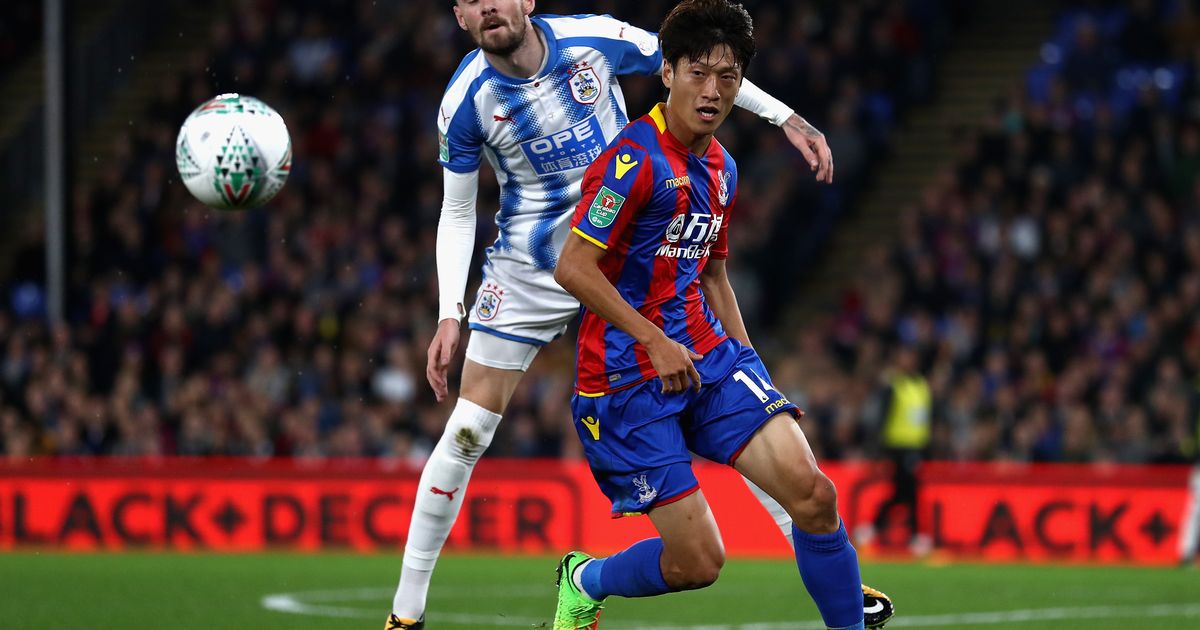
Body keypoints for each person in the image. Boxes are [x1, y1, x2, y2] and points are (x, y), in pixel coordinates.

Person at [387, 0, 837, 627]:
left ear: (528, 1)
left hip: (633, 241)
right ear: (459, 15)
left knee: (729, 397)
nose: (490, 4)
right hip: (531, 265)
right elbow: (458, 210)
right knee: (467, 431)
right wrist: (449, 311)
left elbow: (700, 66)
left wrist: (785, 117)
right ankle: (406, 613)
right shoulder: (464, 101)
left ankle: (822, 566)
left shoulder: (594, 40)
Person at [550, 2, 893, 628]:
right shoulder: (631, 161)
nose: (712, 91)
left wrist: (751, 364)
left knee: (815, 496)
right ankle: (585, 578)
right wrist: (652, 340)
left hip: (708, 357)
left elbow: (712, 275)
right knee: (698, 564)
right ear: (668, 73)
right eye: (698, 73)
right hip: (625, 377)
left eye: (727, 77)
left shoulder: (722, 169)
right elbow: (572, 267)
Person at [871, 344, 931, 554]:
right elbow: (883, 417)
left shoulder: (922, 385)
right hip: (898, 446)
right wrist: (880, 448)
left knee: (902, 492)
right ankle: (916, 536)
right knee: (910, 491)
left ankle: (873, 527)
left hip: (916, 447)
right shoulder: (893, 386)